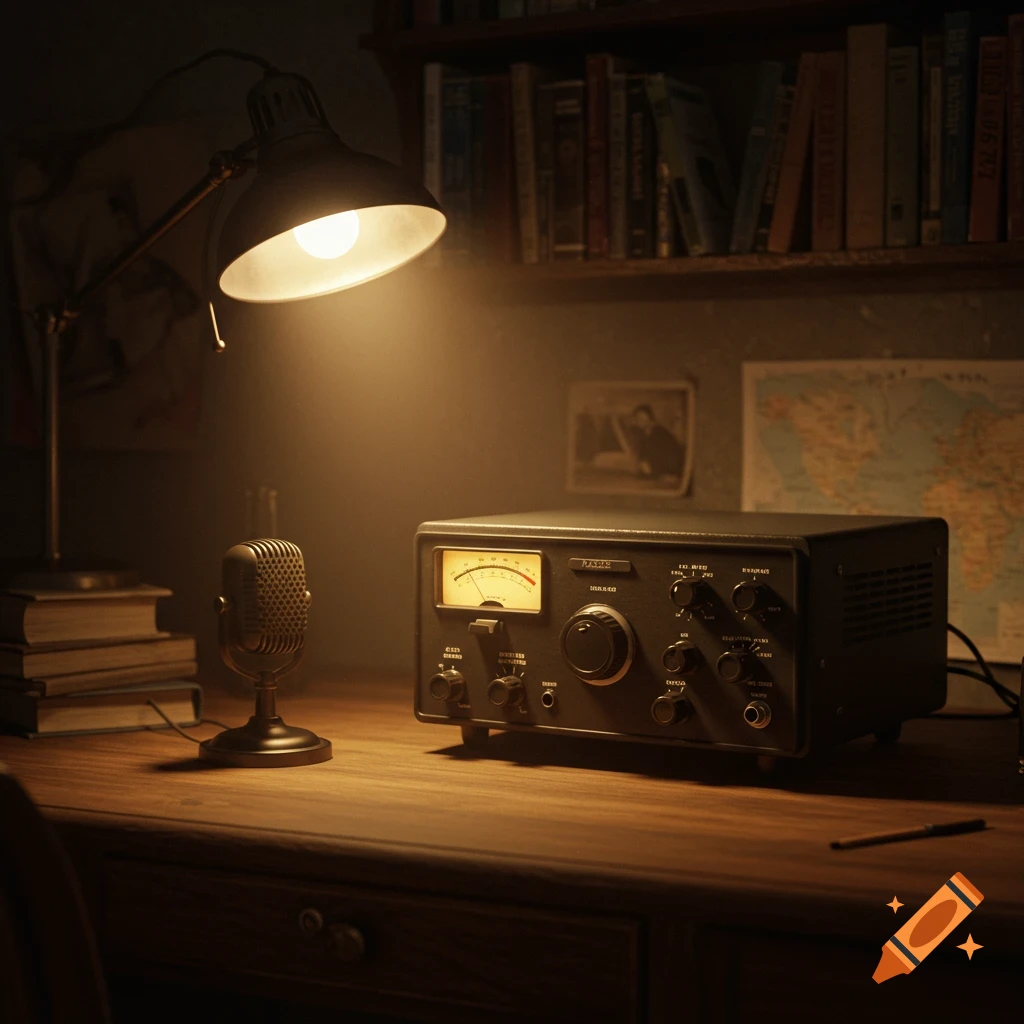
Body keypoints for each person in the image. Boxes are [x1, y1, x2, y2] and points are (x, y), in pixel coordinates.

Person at [631, 404, 684, 482]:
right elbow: (643, 457)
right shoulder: (643, 435)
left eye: (643, 417)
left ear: (650, 419)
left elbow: (668, 455)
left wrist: (652, 469)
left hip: (670, 473)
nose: (640, 420)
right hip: (656, 473)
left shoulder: (660, 433)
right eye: (638, 418)